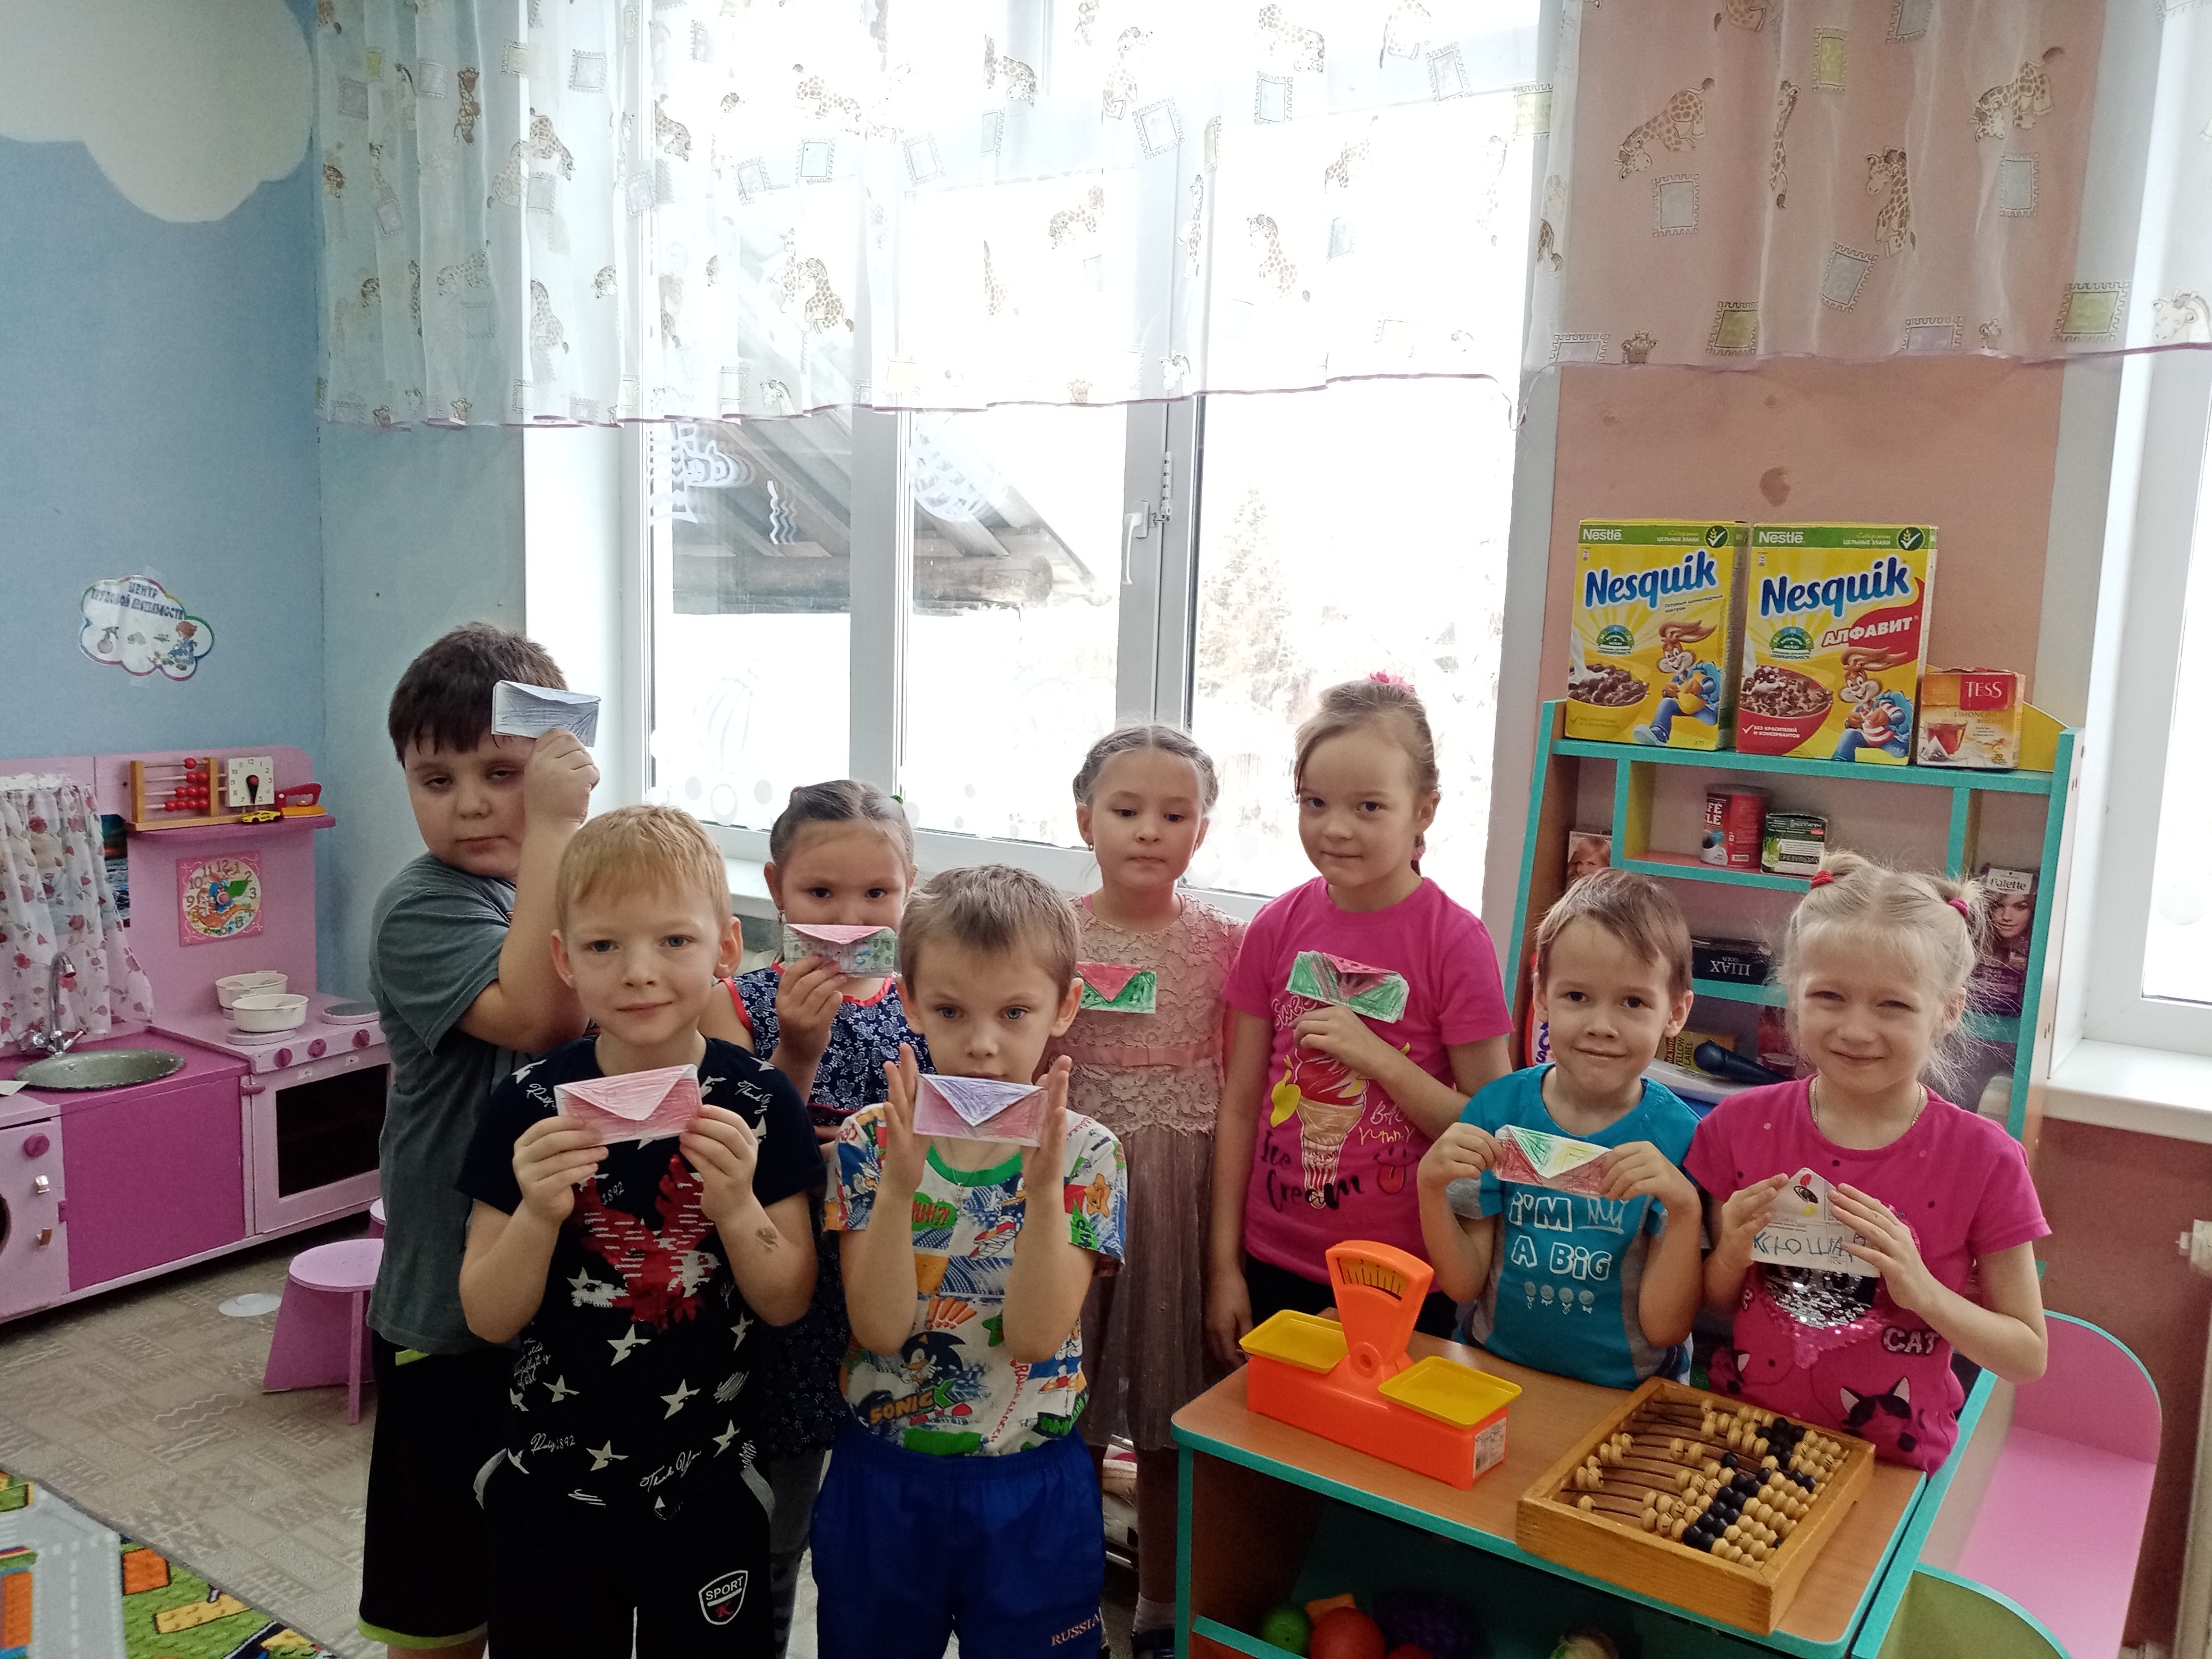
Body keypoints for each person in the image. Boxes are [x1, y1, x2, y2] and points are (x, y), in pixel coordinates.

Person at [455, 805, 819, 1653]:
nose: (640, 973)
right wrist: (538, 1212)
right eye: (604, 946)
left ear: (726, 948)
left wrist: (737, 1208)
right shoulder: (525, 1107)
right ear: (564, 960)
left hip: (709, 1483)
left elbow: (787, 1300)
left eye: (675, 941)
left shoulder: (761, 1103)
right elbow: (487, 1315)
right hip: (549, 1484)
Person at [816, 865, 1126, 1659]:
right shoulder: (869, 1139)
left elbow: (1033, 1337)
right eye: (951, 1011)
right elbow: (880, 1330)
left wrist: (1045, 1192)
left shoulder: (1089, 1154)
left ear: (1065, 1007)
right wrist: (898, 1190)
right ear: (911, 1002)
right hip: (885, 1478)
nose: (983, 1045)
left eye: (1014, 1012)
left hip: (1029, 1482)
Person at [360, 622, 596, 1659]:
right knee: (439, 1600)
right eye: (435, 778)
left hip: (554, 1302)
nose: (467, 804)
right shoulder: (419, 908)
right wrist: (554, 825)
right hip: (446, 1314)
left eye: (501, 775)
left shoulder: (567, 890)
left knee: (542, 1574)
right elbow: (540, 1016)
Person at [1689, 854, 2050, 1470]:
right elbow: (1718, 1303)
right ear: (1793, 995)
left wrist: (1922, 1291)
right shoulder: (1737, 1128)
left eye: (1892, 1005)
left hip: (1891, 1462)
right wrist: (1731, 1254)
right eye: (1828, 996)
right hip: (1753, 1442)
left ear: (1947, 1011)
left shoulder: (1983, 1160)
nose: (1856, 1030)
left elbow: (2025, 1355)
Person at [1206, 675, 1513, 1369]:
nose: (1335, 828)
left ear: (1423, 810)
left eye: (1368, 806)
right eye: (1314, 802)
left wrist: (1380, 1061)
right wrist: (1222, 1266)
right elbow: (1240, 1106)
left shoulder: (1454, 943)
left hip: (1404, 1272)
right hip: (1274, 1258)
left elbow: (1492, 1131)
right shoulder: (1274, 928)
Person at [699, 780, 932, 1655]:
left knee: (883, 1533)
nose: (848, 918)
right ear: (776, 887)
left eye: (877, 893)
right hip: (784, 1298)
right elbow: (731, 1158)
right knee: (776, 1524)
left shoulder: (930, 1004)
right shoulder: (739, 1002)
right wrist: (796, 1054)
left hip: (894, 1296)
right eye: (821, 893)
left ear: (910, 889)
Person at [1050, 726, 1243, 1659]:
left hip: (1178, 1197)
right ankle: (1068, 1602)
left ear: (1201, 831)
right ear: (1085, 818)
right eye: (1127, 810)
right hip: (1070, 1195)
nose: (1149, 831)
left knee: (1171, 1418)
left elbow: (1245, 1082)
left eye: (1174, 815)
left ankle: (1161, 1610)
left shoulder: (1228, 944)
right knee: (1069, 1409)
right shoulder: (1052, 933)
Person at [1382, 870, 1706, 1386]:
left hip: (1624, 1392)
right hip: (1494, 1369)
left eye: (1633, 1002)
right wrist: (1430, 1189)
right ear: (1541, 995)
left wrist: (1685, 1210)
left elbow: (1665, 1328)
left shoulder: (1682, 1139)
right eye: (1576, 996)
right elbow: (1464, 1285)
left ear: (1676, 1012)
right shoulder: (1497, 1111)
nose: (1601, 1026)